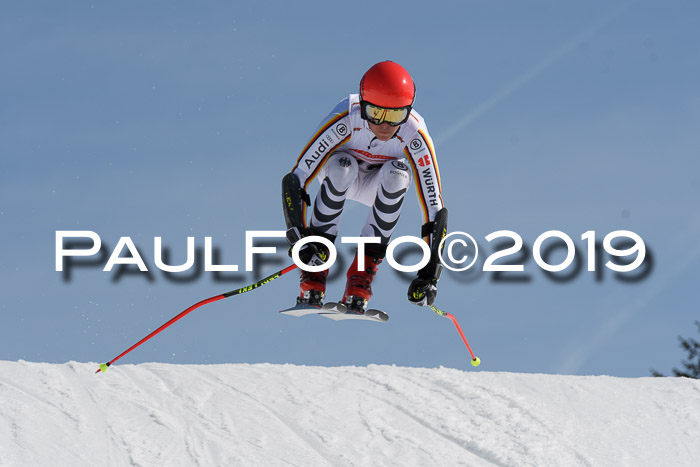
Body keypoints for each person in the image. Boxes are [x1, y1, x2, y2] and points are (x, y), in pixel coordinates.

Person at [281, 60, 447, 314]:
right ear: (363, 106)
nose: (384, 126)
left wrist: (430, 272)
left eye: (394, 116)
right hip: (339, 178)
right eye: (376, 114)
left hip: (378, 186)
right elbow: (297, 178)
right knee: (342, 166)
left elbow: (434, 209)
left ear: (408, 111)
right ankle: (313, 272)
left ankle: (362, 275)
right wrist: (300, 236)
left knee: (398, 174)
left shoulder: (415, 133)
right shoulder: (347, 117)